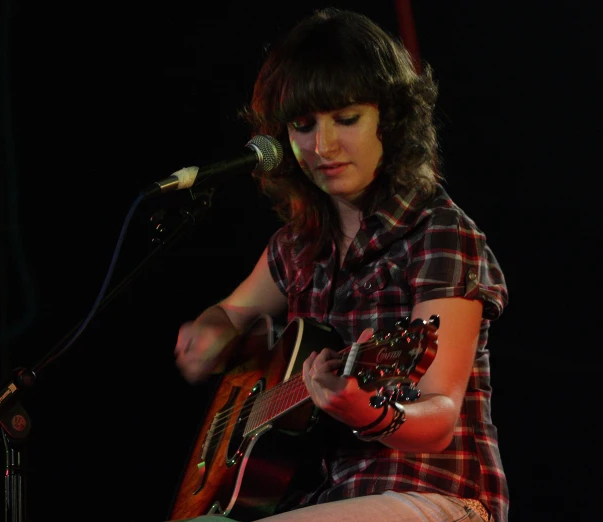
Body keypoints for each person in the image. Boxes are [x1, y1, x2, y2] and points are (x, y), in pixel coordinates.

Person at [173, 8, 509, 522]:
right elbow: (231, 313)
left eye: (346, 119)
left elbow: (440, 415)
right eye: (303, 126)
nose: (322, 147)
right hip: (320, 500)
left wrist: (371, 414)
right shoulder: (295, 247)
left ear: (390, 120)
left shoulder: (438, 231)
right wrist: (210, 333)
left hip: (432, 496)